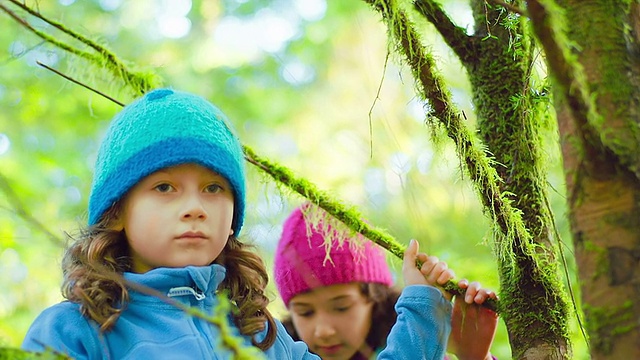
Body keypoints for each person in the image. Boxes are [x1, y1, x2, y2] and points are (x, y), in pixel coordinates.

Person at [21, 88, 457, 359]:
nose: (195, 207)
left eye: (214, 189)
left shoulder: (259, 332)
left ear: (233, 217)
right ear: (116, 211)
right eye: (165, 188)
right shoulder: (74, 330)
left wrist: (423, 303)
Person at [274, 205, 499, 360]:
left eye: (341, 307)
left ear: (375, 298)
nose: (324, 331)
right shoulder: (274, 351)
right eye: (305, 312)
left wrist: (475, 356)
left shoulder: (424, 344)